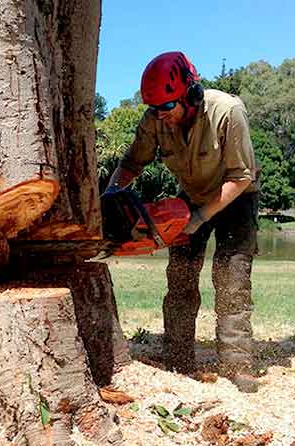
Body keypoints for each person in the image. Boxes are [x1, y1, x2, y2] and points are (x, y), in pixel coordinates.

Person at [104, 51, 260, 392]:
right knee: (180, 278)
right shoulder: (155, 120)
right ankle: (178, 358)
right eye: (154, 109)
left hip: (235, 195)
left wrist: (200, 218)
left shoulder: (227, 111)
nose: (160, 116)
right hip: (191, 193)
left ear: (191, 94)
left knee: (231, 278)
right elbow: (132, 162)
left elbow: (241, 176)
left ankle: (238, 366)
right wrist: (111, 195)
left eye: (166, 107)